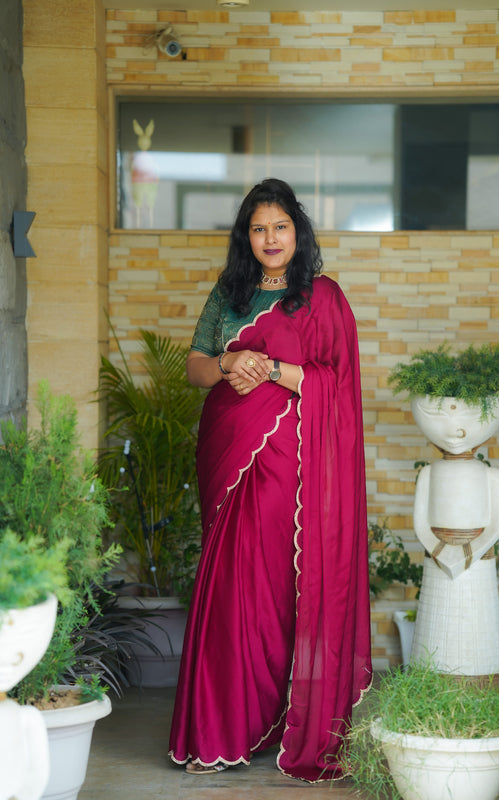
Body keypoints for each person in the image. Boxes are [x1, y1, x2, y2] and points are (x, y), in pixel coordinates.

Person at [168, 178, 371, 783]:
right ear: (246, 237)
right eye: (258, 228)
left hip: (297, 472)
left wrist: (277, 369)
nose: (270, 238)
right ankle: (224, 725)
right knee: (235, 589)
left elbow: (338, 384)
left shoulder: (324, 298)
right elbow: (195, 368)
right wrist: (230, 361)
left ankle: (292, 719)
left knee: (287, 590)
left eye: (280, 226)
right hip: (233, 462)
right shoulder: (228, 295)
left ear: (297, 232)